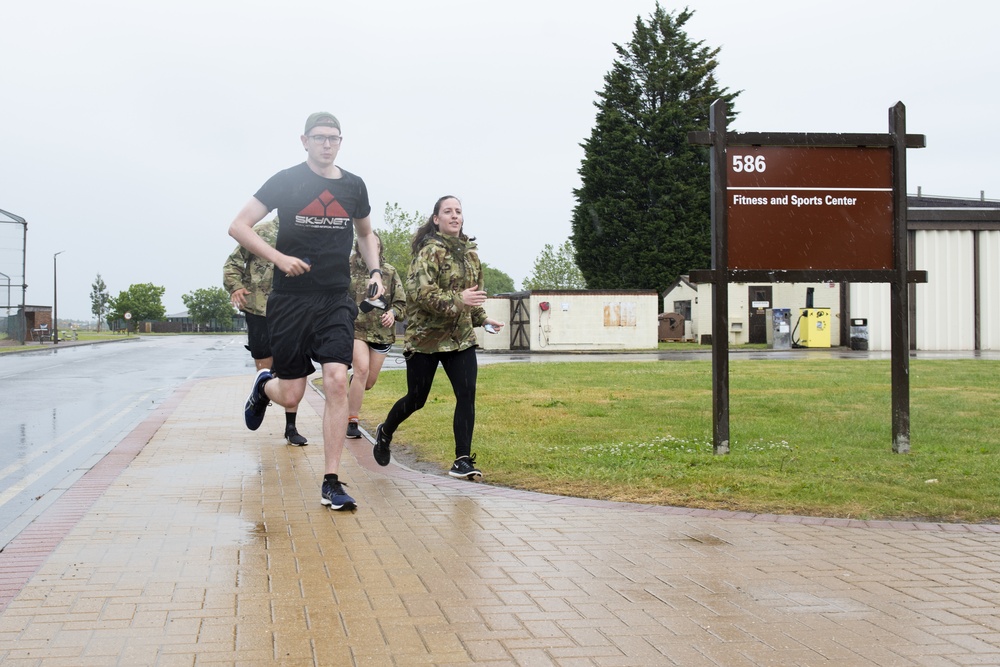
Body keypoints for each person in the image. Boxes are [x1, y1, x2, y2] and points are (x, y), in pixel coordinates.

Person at [228, 111, 385, 511]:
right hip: (290, 300)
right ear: (304, 141)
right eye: (319, 137)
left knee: (336, 378)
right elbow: (239, 226)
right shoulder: (286, 180)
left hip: (334, 299)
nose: (326, 144)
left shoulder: (353, 186)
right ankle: (264, 385)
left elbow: (366, 234)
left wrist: (375, 270)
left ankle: (331, 481)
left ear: (340, 142)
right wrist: (279, 258)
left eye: (333, 138)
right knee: (293, 391)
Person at [373, 195, 504, 479]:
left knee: (466, 395)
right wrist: (461, 299)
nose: (454, 216)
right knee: (417, 399)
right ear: (437, 219)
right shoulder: (428, 252)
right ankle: (385, 431)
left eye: (458, 211)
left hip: (460, 338)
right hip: (426, 340)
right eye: (448, 211)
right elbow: (423, 296)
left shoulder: (470, 254)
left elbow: (472, 297)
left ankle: (462, 459)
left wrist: (482, 319)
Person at [222, 216, 309, 446]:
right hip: (259, 309)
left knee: (291, 370)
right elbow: (232, 264)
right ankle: (260, 395)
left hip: (292, 311)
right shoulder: (259, 231)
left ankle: (291, 427)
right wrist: (236, 287)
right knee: (266, 369)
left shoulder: (307, 234)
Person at [346, 233, 406, 439]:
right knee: (361, 370)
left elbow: (401, 304)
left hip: (381, 333)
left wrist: (393, 313)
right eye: (368, 244)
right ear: (359, 246)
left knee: (367, 382)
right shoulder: (348, 268)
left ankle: (354, 388)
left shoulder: (389, 272)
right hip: (355, 329)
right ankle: (351, 420)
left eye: (377, 245)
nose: (373, 248)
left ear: (380, 249)